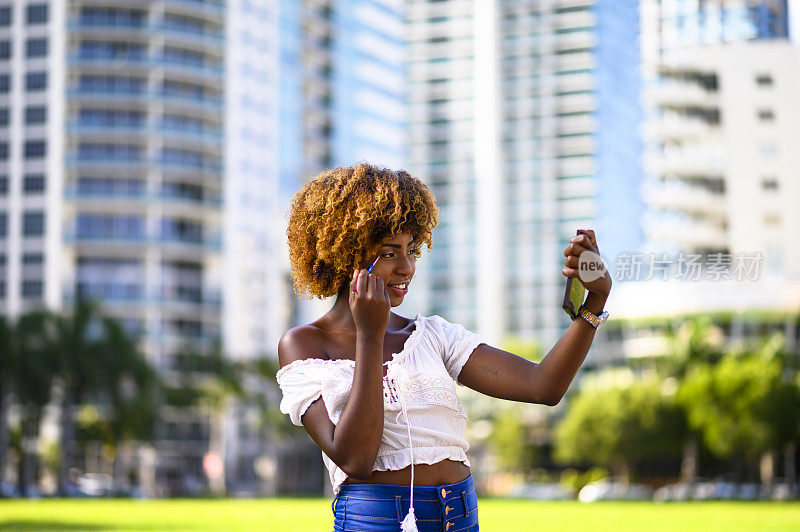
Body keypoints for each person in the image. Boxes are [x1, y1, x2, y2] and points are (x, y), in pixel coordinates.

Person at [276, 163, 612, 532]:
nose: (407, 268)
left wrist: (595, 299)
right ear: (346, 255)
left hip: (460, 516)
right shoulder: (304, 343)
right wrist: (370, 337)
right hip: (376, 522)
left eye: (412, 250)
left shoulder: (432, 335)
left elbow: (543, 386)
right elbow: (356, 458)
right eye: (389, 253)